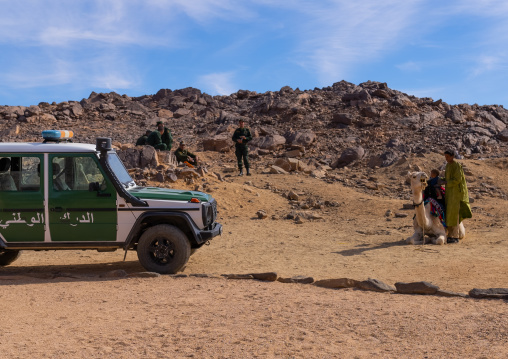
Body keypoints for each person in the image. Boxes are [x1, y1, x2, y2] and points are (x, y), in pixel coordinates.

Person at [443, 150, 472, 243]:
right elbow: (447, 178)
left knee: (455, 215)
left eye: (447, 157)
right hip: (449, 194)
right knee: (449, 214)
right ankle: (450, 235)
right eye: (445, 157)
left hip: (456, 194)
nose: (446, 158)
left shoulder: (457, 166)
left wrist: (447, 182)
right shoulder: (447, 166)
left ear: (452, 156)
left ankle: (455, 236)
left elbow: (457, 180)